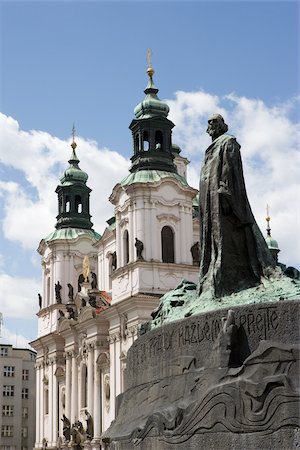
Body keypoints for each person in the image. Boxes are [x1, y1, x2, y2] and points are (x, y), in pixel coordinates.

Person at [198, 114, 275, 298]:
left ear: (222, 125)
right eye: (209, 123)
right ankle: (213, 279)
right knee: (214, 241)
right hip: (209, 203)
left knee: (226, 240)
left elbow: (230, 171)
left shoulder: (228, 142)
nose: (211, 126)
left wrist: (226, 195)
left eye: (214, 122)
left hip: (222, 200)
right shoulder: (211, 148)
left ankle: (228, 280)